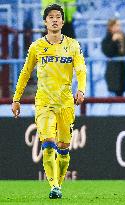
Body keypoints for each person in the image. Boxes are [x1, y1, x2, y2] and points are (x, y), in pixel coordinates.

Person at [12, 4, 86, 199]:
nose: (54, 19)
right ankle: (53, 186)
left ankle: (58, 185)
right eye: (50, 17)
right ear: (45, 22)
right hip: (44, 103)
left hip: (66, 104)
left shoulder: (73, 45)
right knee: (47, 143)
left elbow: (81, 69)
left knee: (63, 150)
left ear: (62, 21)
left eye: (58, 16)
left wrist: (81, 89)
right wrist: (16, 98)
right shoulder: (36, 47)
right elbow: (25, 72)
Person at [101, 18, 125, 96]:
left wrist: (123, 46)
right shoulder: (106, 40)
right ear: (110, 27)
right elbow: (108, 52)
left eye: (119, 25)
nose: (118, 27)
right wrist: (113, 41)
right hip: (114, 73)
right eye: (116, 25)